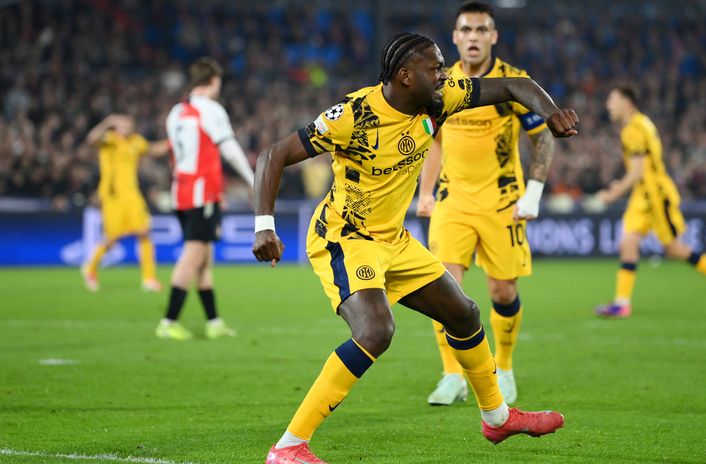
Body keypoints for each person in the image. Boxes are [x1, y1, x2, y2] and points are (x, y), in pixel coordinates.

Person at [253, 32, 578, 464]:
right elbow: (273, 154)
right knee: (375, 331)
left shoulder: (440, 99)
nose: (446, 74)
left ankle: (497, 418)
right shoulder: (355, 114)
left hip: (395, 238)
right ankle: (288, 448)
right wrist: (264, 227)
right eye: (435, 68)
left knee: (464, 314)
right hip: (347, 238)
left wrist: (551, 112)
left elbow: (513, 86)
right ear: (405, 77)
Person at [415, 1, 556, 406]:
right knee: (443, 290)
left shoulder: (514, 81)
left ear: (493, 36)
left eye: (481, 30)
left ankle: (505, 369)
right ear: (455, 36)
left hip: (502, 202)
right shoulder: (440, 83)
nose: (473, 37)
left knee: (503, 292)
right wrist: (424, 192)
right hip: (452, 201)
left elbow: (543, 135)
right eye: (466, 30)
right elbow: (434, 142)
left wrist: (534, 192)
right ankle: (452, 375)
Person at [594, 84, 706, 317]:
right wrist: (623, 186)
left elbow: (638, 172)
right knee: (628, 242)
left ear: (627, 102)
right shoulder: (643, 123)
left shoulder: (633, 129)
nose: (608, 105)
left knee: (673, 249)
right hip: (642, 195)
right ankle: (622, 303)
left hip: (655, 195)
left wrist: (612, 194)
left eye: (612, 99)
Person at [155, 57, 255, 340]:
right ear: (213, 81)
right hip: (202, 193)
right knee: (193, 254)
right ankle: (168, 321)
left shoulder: (176, 111)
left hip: (182, 191)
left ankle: (213, 322)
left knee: (204, 258)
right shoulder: (210, 109)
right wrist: (252, 179)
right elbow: (229, 148)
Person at [81, 114, 168, 292]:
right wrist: (106, 123)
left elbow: (153, 149)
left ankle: (149, 279)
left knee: (144, 232)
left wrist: (172, 140)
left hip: (133, 195)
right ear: (116, 127)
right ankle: (90, 268)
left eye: (129, 125)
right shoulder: (108, 140)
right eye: (122, 125)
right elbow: (90, 140)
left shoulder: (136, 141)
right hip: (113, 196)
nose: (126, 128)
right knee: (111, 240)